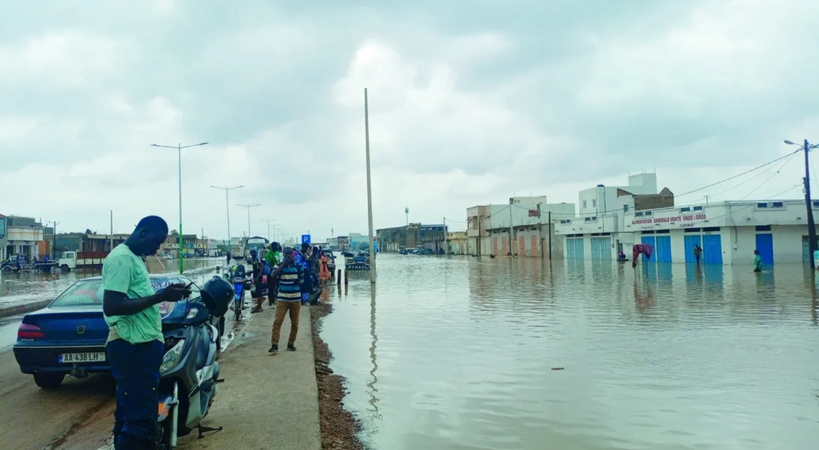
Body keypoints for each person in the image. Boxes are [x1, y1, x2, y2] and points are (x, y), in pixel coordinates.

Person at [102, 216, 191, 449]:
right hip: (133, 347)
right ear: (142, 233)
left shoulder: (134, 258)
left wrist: (167, 293)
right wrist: (161, 296)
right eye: (156, 242)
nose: (157, 248)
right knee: (139, 420)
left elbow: (135, 297)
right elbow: (112, 305)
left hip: (140, 344)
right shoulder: (122, 259)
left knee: (131, 413)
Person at [270, 248, 303, 354]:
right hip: (282, 298)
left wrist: (299, 282)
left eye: (290, 254)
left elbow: (303, 279)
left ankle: (291, 343)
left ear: (293, 255)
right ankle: (274, 344)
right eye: (286, 254)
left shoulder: (298, 266)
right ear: (283, 255)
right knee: (277, 321)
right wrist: (284, 264)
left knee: (295, 323)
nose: (288, 256)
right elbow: (273, 274)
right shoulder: (279, 265)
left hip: (295, 298)